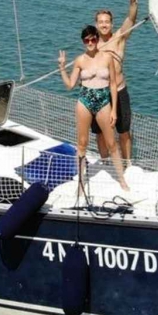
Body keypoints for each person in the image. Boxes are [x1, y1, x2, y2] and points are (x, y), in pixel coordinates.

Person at [58, 25, 130, 193]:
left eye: (93, 39)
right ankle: (81, 183)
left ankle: (122, 180)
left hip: (103, 101)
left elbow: (113, 84)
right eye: (86, 40)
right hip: (85, 101)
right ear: (83, 41)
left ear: (97, 39)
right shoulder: (80, 60)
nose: (90, 43)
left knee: (112, 143)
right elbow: (70, 85)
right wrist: (62, 67)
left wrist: (114, 110)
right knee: (82, 143)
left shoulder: (107, 58)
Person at [93, 0, 141, 167]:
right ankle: (105, 162)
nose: (104, 25)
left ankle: (127, 164)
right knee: (100, 132)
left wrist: (133, 0)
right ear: (96, 25)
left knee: (124, 131)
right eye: (101, 22)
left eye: (107, 22)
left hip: (119, 91)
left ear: (111, 24)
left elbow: (131, 19)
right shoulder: (92, 44)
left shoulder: (119, 38)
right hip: (100, 93)